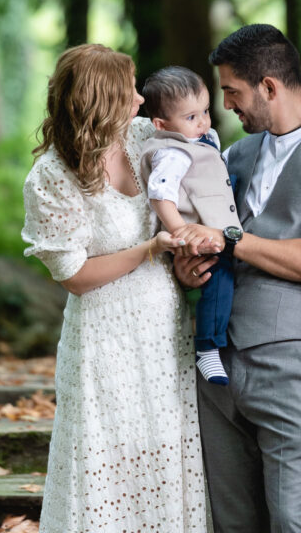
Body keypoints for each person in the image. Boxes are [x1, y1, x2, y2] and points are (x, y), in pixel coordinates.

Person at [175, 24, 301, 533]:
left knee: (291, 520)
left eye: (232, 93)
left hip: (293, 371)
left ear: (269, 86)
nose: (227, 107)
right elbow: (202, 245)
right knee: (232, 520)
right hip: (216, 366)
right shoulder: (231, 157)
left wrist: (227, 236)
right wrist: (187, 267)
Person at [21, 44, 210, 533]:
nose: (140, 101)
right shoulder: (53, 175)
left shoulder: (146, 136)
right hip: (103, 336)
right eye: (128, 92)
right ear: (100, 101)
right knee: (105, 457)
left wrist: (183, 262)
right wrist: (149, 250)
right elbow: (74, 276)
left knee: (166, 450)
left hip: (163, 324)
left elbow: (195, 186)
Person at [140, 65, 241, 386]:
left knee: (225, 278)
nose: (203, 122)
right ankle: (207, 347)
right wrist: (180, 234)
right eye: (191, 117)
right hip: (197, 235)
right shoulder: (171, 152)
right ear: (161, 124)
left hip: (215, 227)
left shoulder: (199, 138)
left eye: (205, 111)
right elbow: (160, 193)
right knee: (218, 280)